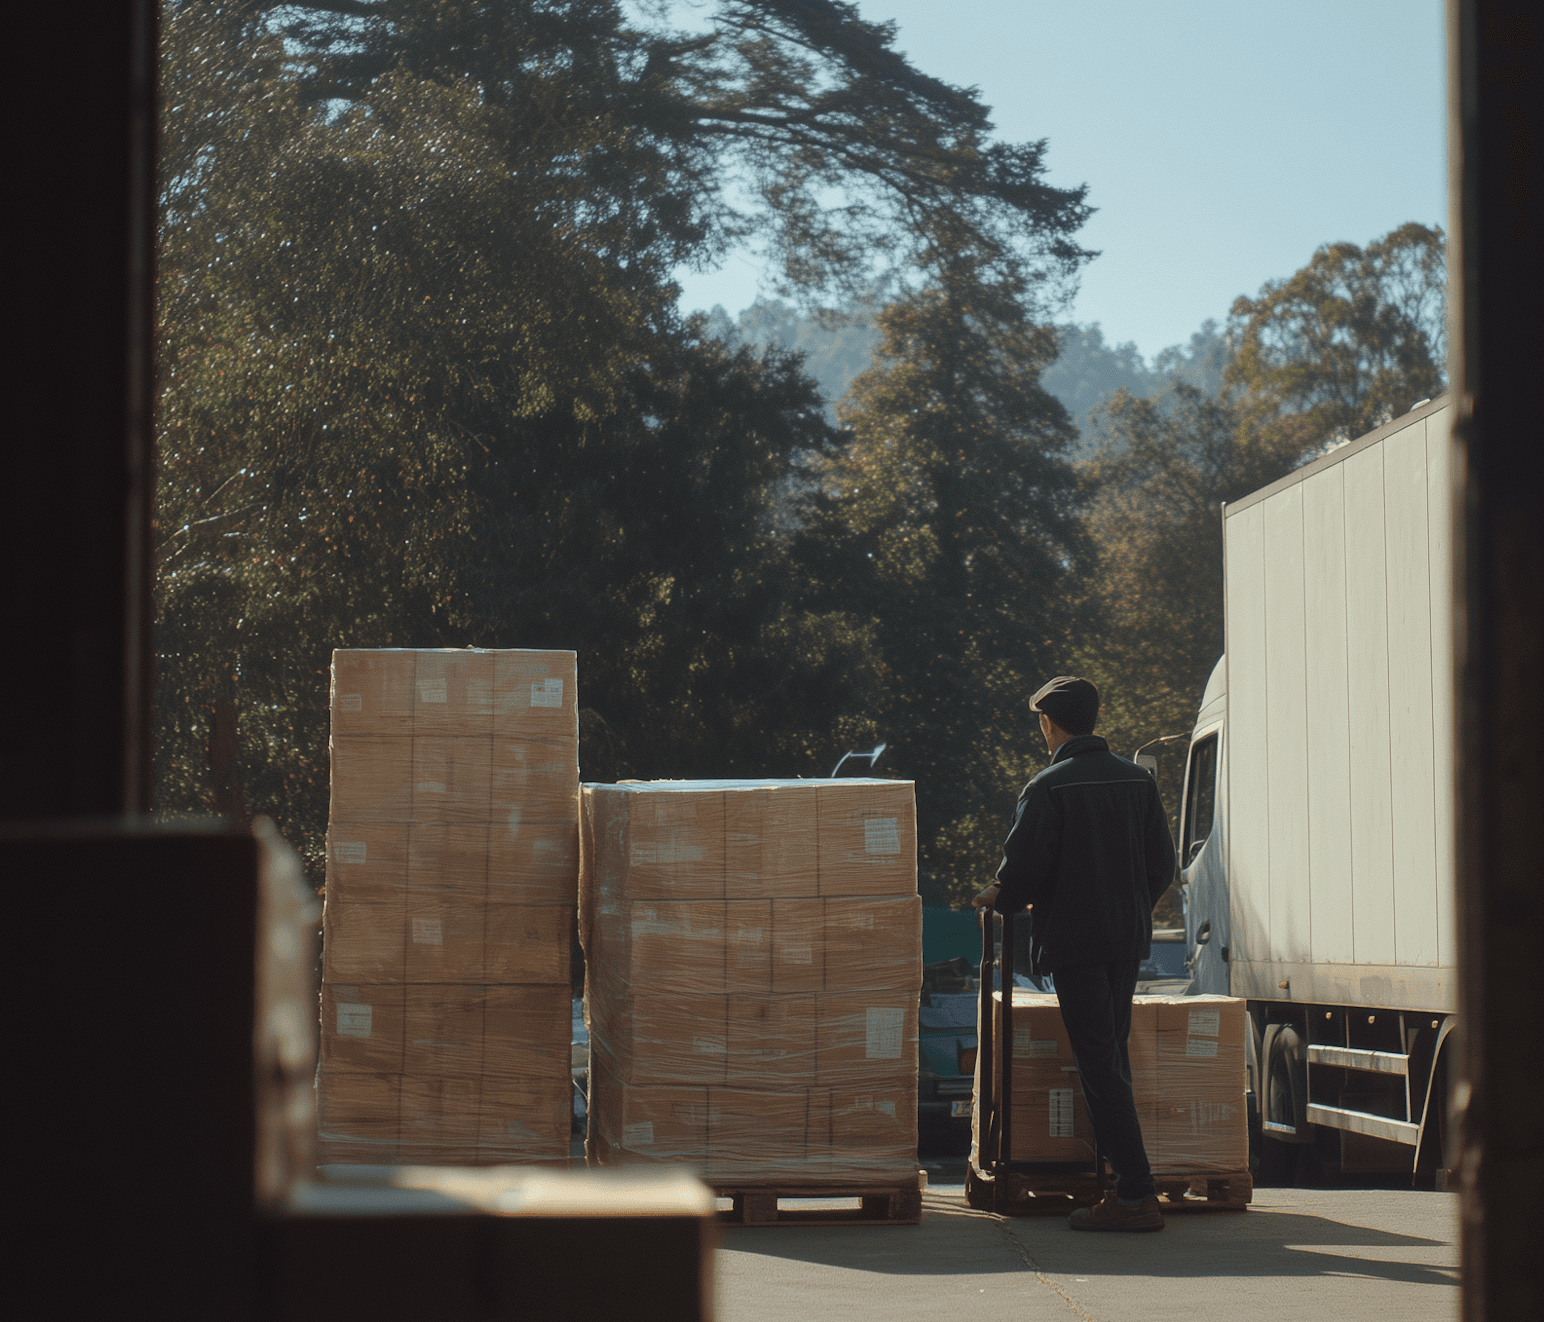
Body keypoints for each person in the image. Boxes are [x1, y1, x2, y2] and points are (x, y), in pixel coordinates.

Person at [972, 675, 1175, 1232]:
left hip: (1076, 945)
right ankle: (1126, 1185)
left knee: (1099, 1065)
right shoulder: (1137, 782)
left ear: (1050, 724)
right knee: (1112, 1055)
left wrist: (999, 895)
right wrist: (1129, 907)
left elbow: (1022, 873)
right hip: (1125, 942)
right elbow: (1163, 866)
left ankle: (1135, 1194)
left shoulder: (1048, 786)